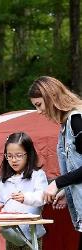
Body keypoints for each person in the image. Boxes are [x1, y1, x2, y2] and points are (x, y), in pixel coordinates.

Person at [28, 76, 82, 248]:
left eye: (39, 105)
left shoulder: (77, 121)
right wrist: (67, 191)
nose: (38, 111)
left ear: (51, 98)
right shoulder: (65, 126)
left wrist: (58, 183)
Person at [0, 132, 48, 250]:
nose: (13, 160)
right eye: (9, 156)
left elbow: (43, 197)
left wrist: (26, 198)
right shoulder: (5, 180)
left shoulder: (37, 175)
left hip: (31, 235)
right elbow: (1, 203)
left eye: (18, 155)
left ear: (29, 155)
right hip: (10, 236)